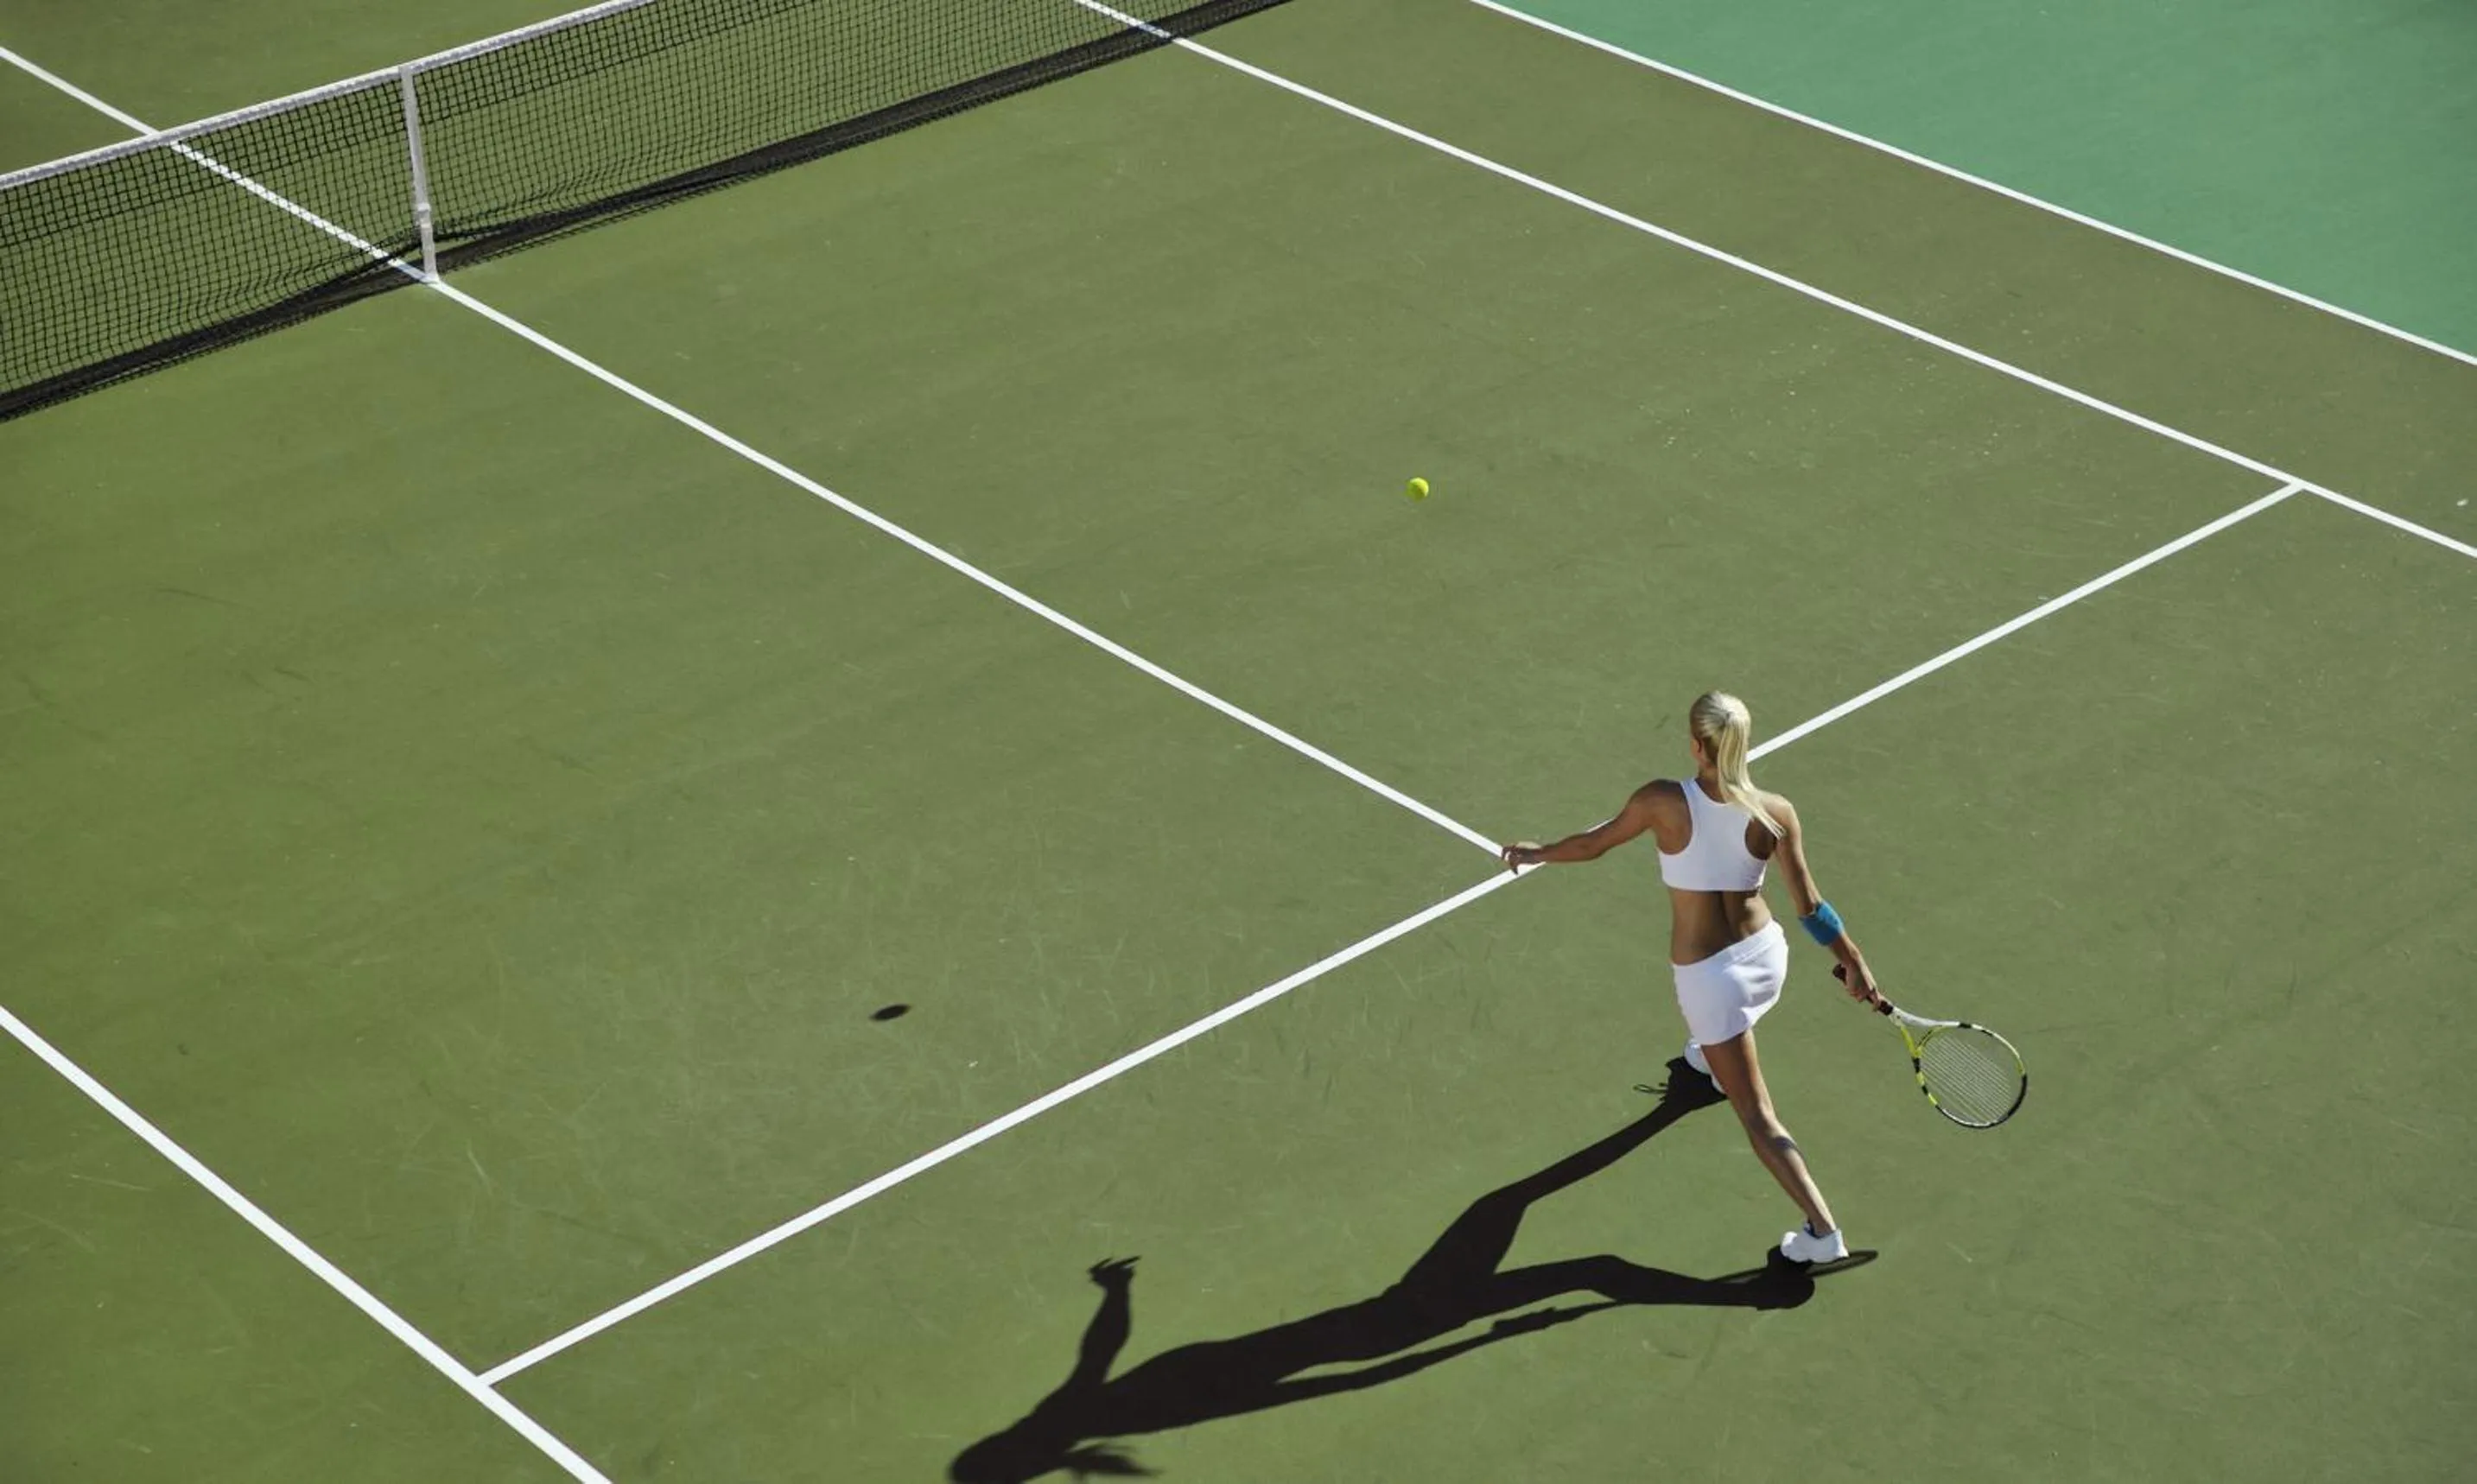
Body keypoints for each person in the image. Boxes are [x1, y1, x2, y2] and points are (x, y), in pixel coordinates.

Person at [1500, 691, 1877, 1264]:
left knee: (1756, 1114)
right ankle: (1709, 1057)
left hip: (1712, 983)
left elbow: (1593, 845)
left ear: (1697, 746)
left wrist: (1537, 852)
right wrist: (1853, 961)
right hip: (1766, 958)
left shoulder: (1661, 802)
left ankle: (1823, 1234)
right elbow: (1810, 908)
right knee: (1723, 1031)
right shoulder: (1776, 812)